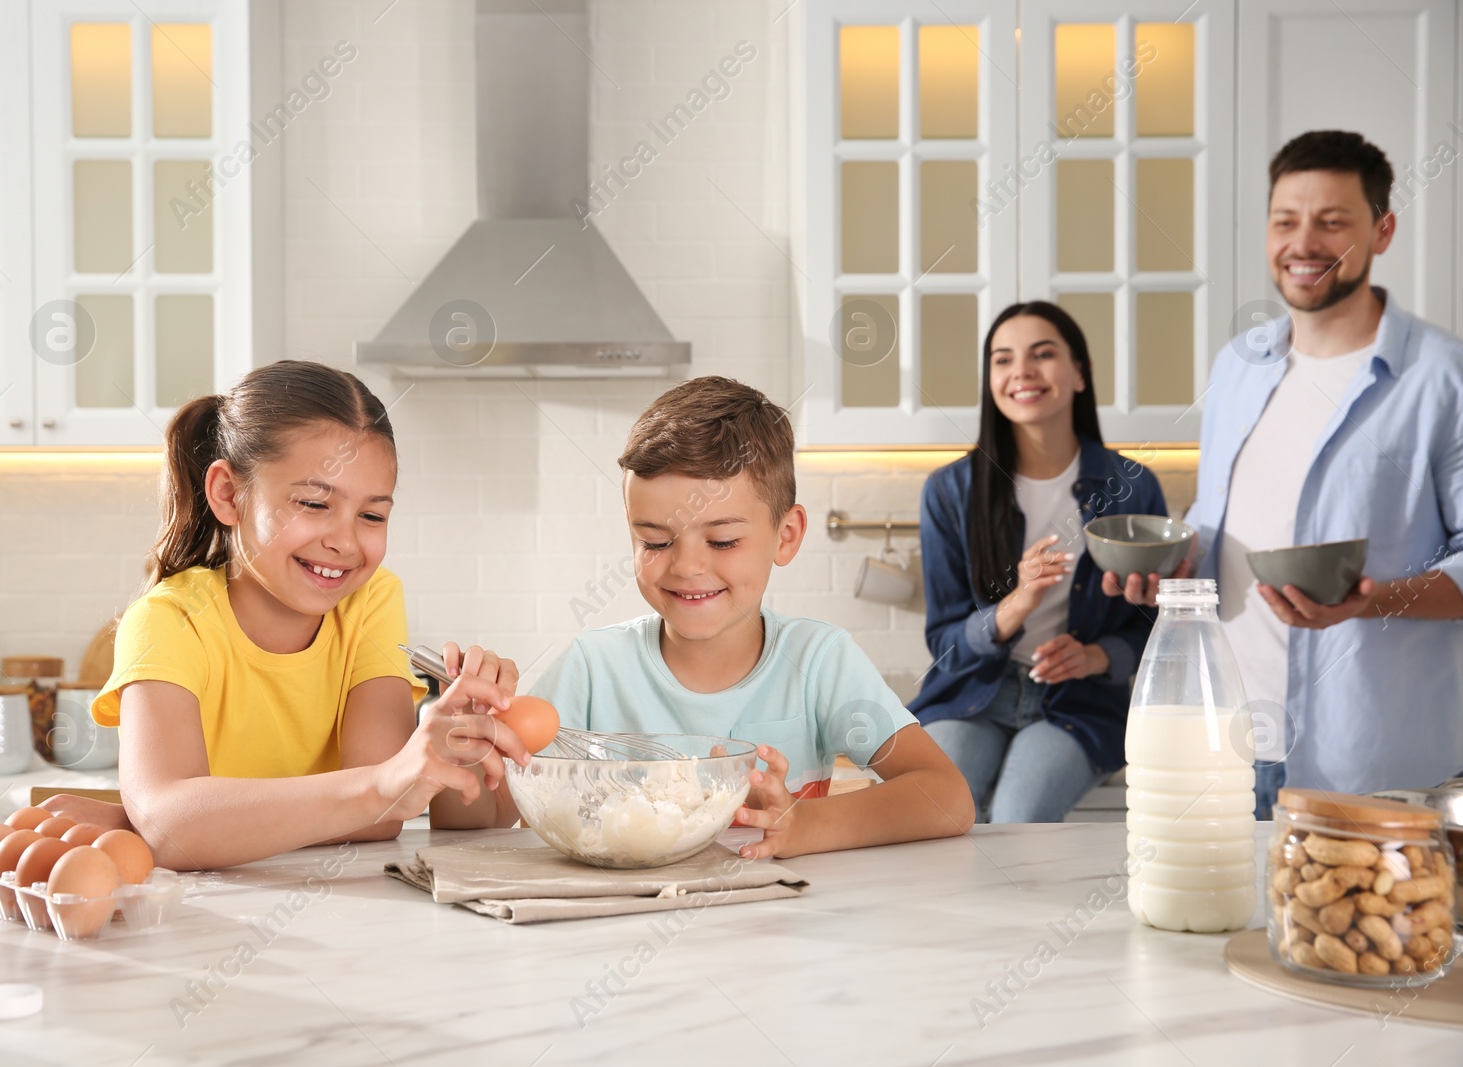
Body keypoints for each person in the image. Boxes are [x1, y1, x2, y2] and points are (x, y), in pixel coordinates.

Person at [1106, 130, 1463, 811]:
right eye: (1286, 221)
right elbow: (1216, 527)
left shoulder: (1444, 379)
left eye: (1333, 222)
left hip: (1370, 760)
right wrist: (1171, 573)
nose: (1305, 244)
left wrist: (1372, 600)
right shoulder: (1239, 364)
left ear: (1382, 230)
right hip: (1230, 743)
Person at [56, 361, 530, 870]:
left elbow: (384, 813)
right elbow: (175, 826)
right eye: (312, 503)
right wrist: (169, 827)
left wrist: (461, 743)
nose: (345, 542)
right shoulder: (168, 621)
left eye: (372, 516)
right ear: (227, 493)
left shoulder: (370, 600)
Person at [509, 376, 973, 858]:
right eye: (655, 541)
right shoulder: (593, 667)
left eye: (723, 541)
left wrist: (804, 824)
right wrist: (467, 739)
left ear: (786, 535)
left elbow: (947, 798)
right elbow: (494, 815)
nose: (687, 566)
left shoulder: (818, 662)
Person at [911, 302, 1166, 822]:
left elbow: (1155, 625)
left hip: (1077, 703)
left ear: (1079, 374)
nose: (1021, 371)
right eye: (1003, 360)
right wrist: (1017, 603)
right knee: (932, 812)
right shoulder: (950, 491)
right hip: (974, 696)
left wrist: (1099, 657)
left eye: (1042, 354)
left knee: (1016, 820)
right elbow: (944, 641)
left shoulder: (1133, 488)